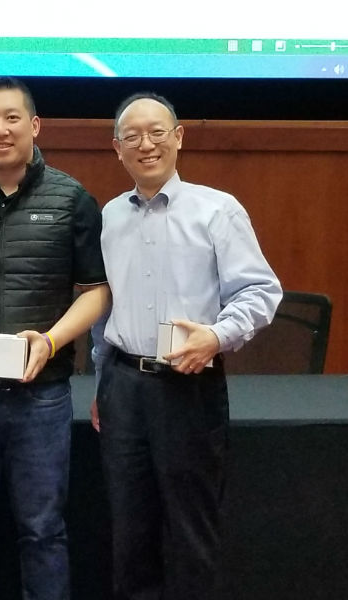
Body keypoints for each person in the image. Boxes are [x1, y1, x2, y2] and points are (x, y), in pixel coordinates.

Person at [0, 76, 110, 600]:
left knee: (42, 529)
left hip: (42, 397)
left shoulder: (72, 199)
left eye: (13, 118)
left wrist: (51, 341)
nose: (1, 129)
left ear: (34, 125)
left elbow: (98, 291)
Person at [99, 92, 282, 600]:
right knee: (129, 529)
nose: (146, 144)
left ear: (179, 137)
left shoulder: (217, 210)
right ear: (117, 148)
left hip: (188, 385)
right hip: (122, 387)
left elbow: (261, 290)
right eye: (132, 136)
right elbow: (108, 303)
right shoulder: (111, 217)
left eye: (157, 132)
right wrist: (102, 380)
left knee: (190, 529)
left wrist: (217, 336)